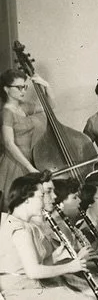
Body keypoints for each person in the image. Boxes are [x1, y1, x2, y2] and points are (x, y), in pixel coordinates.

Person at [2, 67, 43, 200]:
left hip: (30, 159)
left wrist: (45, 85)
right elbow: (9, 144)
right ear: (6, 89)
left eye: (24, 87)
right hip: (15, 163)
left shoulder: (24, 106)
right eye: (18, 87)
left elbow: (51, 106)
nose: (23, 91)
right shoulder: (7, 112)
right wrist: (29, 167)